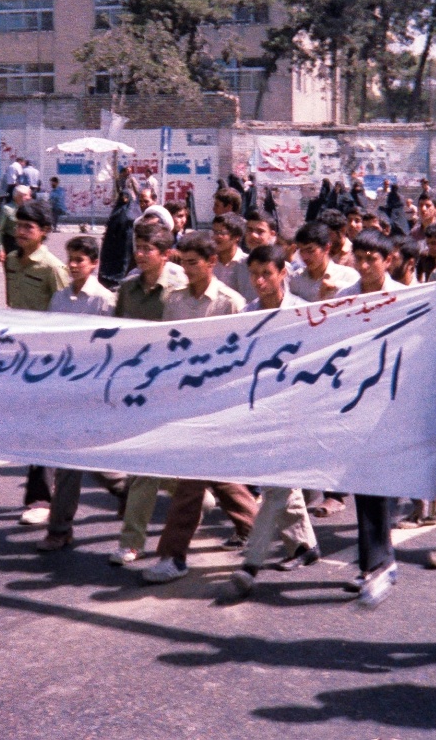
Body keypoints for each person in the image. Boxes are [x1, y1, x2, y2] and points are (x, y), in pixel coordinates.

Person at [141, 232, 258, 584]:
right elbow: (167, 350)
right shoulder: (174, 301)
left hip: (219, 404)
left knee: (191, 481)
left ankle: (173, 556)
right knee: (217, 478)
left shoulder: (230, 302)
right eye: (184, 262)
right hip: (186, 400)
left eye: (195, 263)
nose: (188, 270)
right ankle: (280, 536)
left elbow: (242, 359)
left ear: (211, 263)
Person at [228, 244, 321, 596]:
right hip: (262, 407)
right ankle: (305, 546)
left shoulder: (304, 313)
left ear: (283, 272)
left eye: (267, 273)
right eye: (254, 274)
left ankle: (251, 563)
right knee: (275, 482)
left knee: (278, 486)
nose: (259, 281)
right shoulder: (248, 313)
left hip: (297, 409)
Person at [330, 230, 411, 607]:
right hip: (356, 402)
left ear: (388, 260)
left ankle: (380, 561)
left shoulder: (407, 299)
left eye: (371, 260)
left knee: (380, 485)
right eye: (358, 259)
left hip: (392, 402)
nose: (363, 266)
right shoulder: (345, 299)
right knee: (363, 486)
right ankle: (371, 563)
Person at [37, 235, 127, 552]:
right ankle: (61, 529)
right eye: (71, 259)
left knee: (82, 458)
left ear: (94, 264)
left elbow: (113, 349)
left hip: (93, 391)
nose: (73, 265)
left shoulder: (105, 301)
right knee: (71, 459)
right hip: (65, 388)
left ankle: (124, 492)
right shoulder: (59, 299)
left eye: (80, 260)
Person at [109, 221, 189, 566]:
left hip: (176, 387)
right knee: (143, 462)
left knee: (187, 463)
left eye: (147, 249)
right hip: (141, 388)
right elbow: (119, 336)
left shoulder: (181, 290)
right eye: (137, 248)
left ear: (166, 255)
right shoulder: (127, 290)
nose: (140, 255)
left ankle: (190, 489)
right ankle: (132, 540)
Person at [3, 200, 70, 527]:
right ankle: (124, 492)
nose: (21, 232)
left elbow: (66, 313)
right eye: (18, 226)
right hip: (20, 356)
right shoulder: (12, 261)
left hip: (49, 358)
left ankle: (40, 499)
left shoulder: (53, 268)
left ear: (44, 232)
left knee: (42, 426)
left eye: (29, 227)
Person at [289, 222, 358, 304]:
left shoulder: (348, 276)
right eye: (301, 251)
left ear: (326, 248)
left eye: (310, 251)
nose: (305, 257)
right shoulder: (296, 281)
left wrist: (338, 286)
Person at [210, 211, 252, 297]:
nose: (216, 237)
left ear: (237, 237)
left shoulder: (247, 264)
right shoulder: (210, 263)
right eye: (214, 232)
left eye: (221, 233)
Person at [0, 184, 30, 263]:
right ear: (19, 196)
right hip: (11, 244)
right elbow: (0, 231)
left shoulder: (30, 210)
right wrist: (0, 249)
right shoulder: (7, 209)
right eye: (27, 195)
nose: (29, 198)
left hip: (26, 244)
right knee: (11, 271)